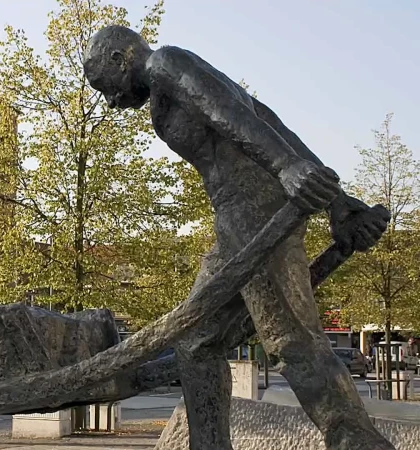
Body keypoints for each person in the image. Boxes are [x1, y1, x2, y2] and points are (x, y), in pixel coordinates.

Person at [83, 25, 391, 450]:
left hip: (252, 212)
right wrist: (335, 201)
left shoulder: (164, 63)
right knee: (196, 342)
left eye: (106, 88)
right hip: (236, 219)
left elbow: (230, 114)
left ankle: (358, 442)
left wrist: (287, 168)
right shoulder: (169, 75)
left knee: (292, 341)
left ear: (121, 58)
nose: (113, 102)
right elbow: (269, 120)